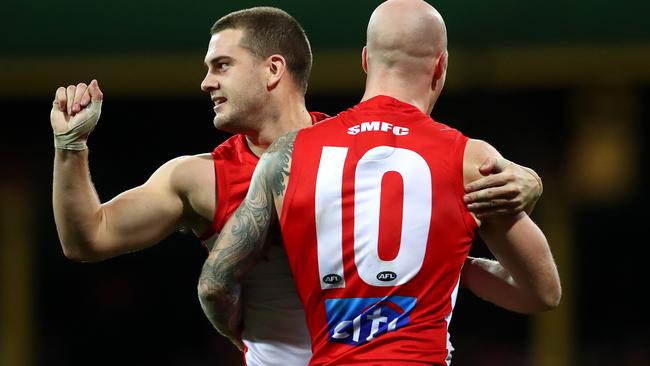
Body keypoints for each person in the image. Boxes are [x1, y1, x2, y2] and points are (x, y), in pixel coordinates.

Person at [50, 6, 545, 366]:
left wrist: (526, 179)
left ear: (273, 70)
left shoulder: (345, 150)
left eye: (221, 65)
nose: (205, 82)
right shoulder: (199, 178)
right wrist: (70, 148)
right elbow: (87, 239)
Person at [197, 1, 561, 365]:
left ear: (366, 60)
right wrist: (450, 264)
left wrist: (247, 339)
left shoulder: (288, 156)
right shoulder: (469, 160)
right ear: (440, 66)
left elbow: (214, 284)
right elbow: (541, 292)